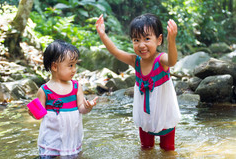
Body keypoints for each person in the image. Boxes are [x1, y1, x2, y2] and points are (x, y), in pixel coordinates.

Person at [96, 13, 181, 151]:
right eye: (136, 40)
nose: (141, 45)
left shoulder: (161, 60)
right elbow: (116, 52)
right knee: (145, 148)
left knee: (168, 149)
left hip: (164, 116)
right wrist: (102, 35)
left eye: (147, 39)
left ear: (159, 40)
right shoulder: (135, 61)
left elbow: (172, 61)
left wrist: (172, 40)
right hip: (145, 117)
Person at [28, 39, 98, 157]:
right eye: (70, 65)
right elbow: (39, 114)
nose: (74, 69)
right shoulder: (45, 90)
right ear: (55, 67)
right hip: (51, 140)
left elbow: (81, 108)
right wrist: (32, 113)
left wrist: (87, 107)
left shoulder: (76, 86)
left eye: (75, 65)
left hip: (72, 139)